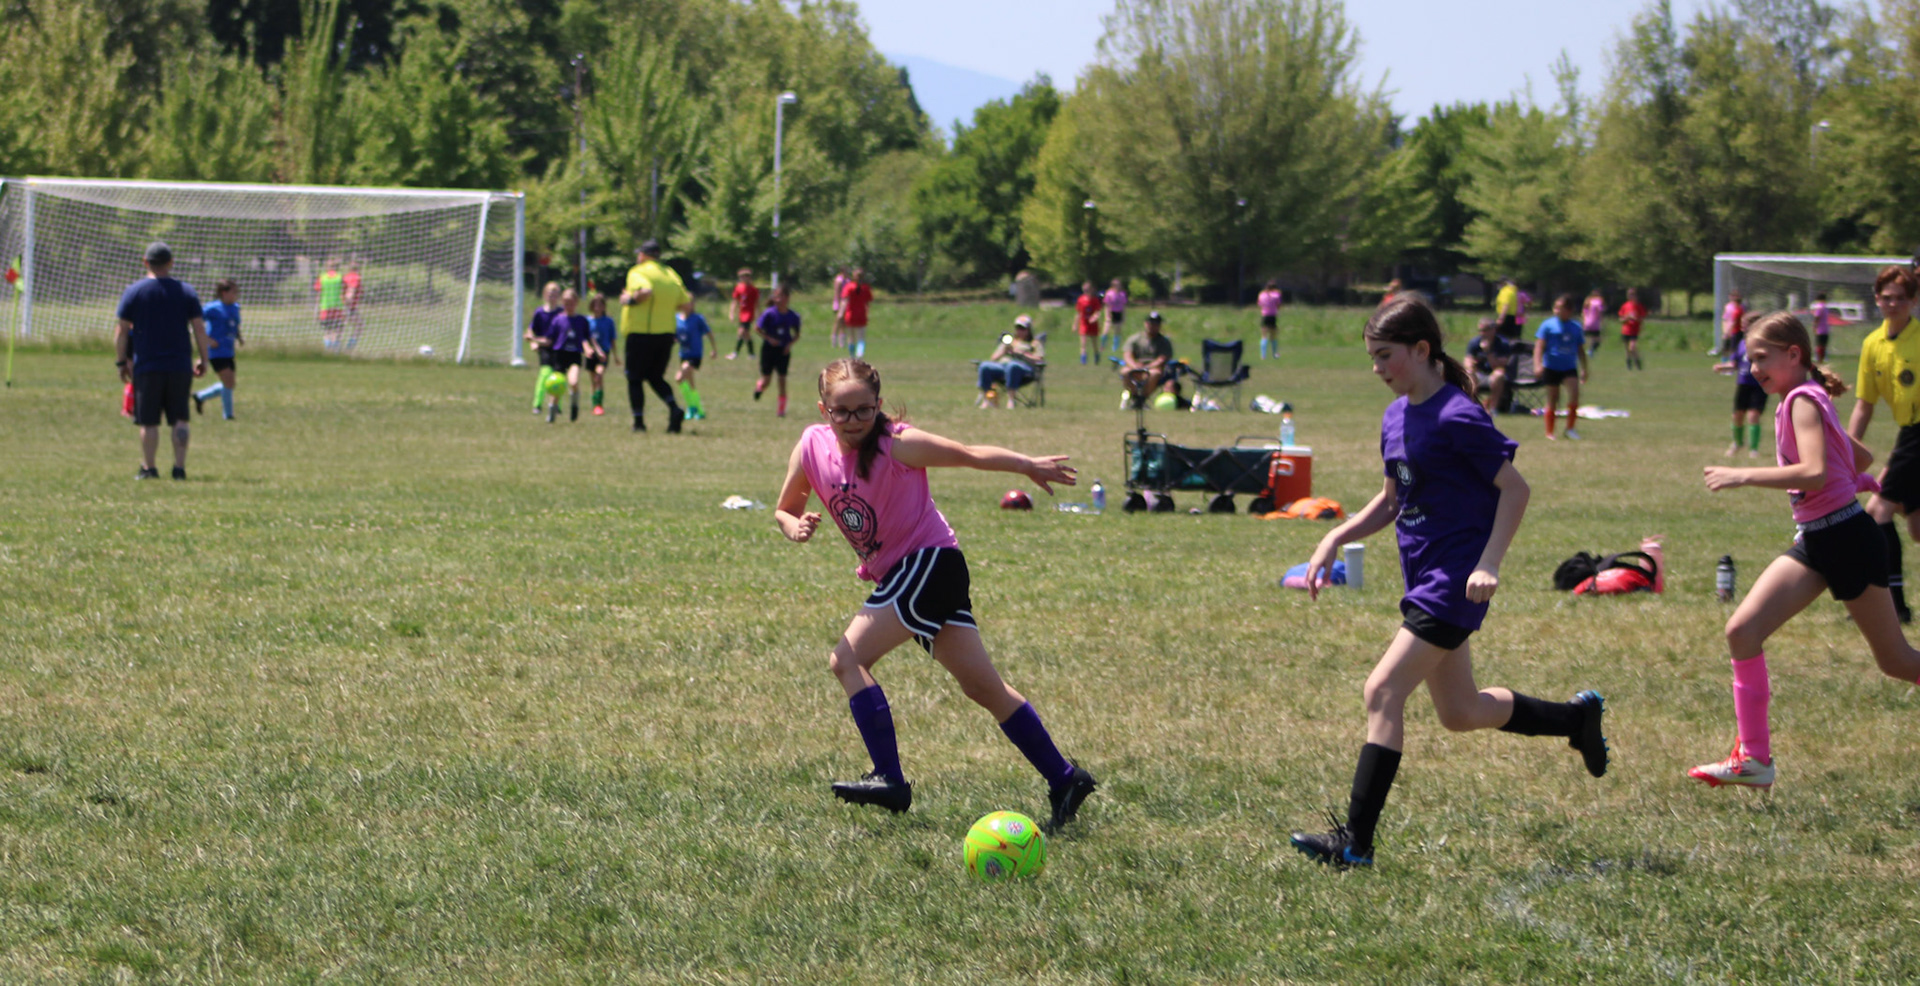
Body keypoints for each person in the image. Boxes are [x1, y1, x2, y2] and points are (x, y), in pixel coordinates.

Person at [1288, 296, 1608, 870]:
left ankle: (1355, 844)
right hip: (1423, 578)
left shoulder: (1459, 416)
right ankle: (1574, 719)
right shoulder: (1395, 417)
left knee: (1382, 692)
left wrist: (1490, 562)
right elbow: (1392, 500)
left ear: (1421, 349)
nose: (1377, 368)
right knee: (1460, 711)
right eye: (1371, 358)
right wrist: (1335, 535)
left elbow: (1515, 489)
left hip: (1455, 582)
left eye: (1386, 355)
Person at [773, 357, 1098, 830]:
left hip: (930, 563)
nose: (853, 420)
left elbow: (967, 453)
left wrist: (1026, 465)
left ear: (878, 405)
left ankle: (889, 778)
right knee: (983, 687)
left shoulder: (898, 444)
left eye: (864, 410)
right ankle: (1066, 778)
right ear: (824, 410)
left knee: (846, 659)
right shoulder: (811, 446)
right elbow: (785, 508)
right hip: (910, 574)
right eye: (841, 411)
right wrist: (794, 527)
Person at [1691, 312, 1920, 789]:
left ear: (1793, 354)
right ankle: (1754, 761)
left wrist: (1743, 475)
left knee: (1897, 661)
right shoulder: (1805, 398)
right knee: (1742, 630)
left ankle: (1754, 759)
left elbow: (1815, 472)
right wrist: (1853, 477)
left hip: (1847, 540)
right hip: (1820, 539)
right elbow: (1859, 457)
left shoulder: (1800, 401)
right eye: (1749, 359)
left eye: (1761, 357)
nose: (1753, 368)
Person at [1846, 265, 1920, 624]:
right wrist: (1848, 449)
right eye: (1886, 297)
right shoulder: (1872, 344)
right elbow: (1865, 404)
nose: (1893, 304)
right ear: (1876, 299)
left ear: (1914, 301)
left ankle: (1894, 607)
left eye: (1901, 298)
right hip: (1910, 433)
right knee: (1917, 527)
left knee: (1878, 510)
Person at [115, 241, 215, 480]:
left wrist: (121, 362)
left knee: (148, 422)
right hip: (179, 365)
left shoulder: (134, 292)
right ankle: (179, 468)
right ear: (171, 263)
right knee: (180, 419)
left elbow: (122, 331)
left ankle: (149, 468)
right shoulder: (186, 291)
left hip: (147, 365)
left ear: (145, 262)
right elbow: (199, 329)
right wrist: (204, 359)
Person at [619, 240, 690, 433]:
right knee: (655, 377)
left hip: (641, 333)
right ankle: (674, 408)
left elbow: (645, 291)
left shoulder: (638, 272)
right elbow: (685, 304)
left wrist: (629, 299)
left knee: (634, 378)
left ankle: (639, 422)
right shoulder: (671, 274)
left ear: (643, 255)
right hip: (665, 334)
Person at [1534, 294, 1590, 440]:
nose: (1556, 310)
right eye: (1555, 307)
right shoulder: (1547, 325)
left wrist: (1584, 368)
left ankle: (1570, 429)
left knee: (1574, 394)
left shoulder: (1576, 327)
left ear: (1569, 310)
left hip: (1569, 367)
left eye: (1560, 308)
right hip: (1551, 367)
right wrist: (1538, 365)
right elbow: (1539, 347)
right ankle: (1550, 432)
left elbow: (1580, 349)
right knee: (1553, 398)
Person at [543, 288, 603, 423]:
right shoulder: (557, 319)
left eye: (571, 303)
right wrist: (534, 340)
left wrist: (589, 349)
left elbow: (586, 338)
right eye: (565, 303)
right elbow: (549, 340)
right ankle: (552, 413)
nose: (568, 306)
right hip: (559, 355)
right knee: (557, 385)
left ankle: (574, 405)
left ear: (576, 302)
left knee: (573, 382)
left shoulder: (582, 320)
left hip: (574, 355)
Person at [1715, 319, 1766, 458]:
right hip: (1743, 383)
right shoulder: (1742, 343)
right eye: (1742, 325)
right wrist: (1722, 367)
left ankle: (1753, 449)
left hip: (1759, 385)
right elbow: (1735, 364)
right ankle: (1738, 443)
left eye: (1746, 325)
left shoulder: (1763, 344)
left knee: (1753, 415)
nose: (1743, 328)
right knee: (1737, 415)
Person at [192, 279, 243, 421]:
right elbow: (195, 324)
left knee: (230, 383)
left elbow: (234, 325)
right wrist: (208, 340)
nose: (236, 294)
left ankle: (200, 396)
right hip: (216, 352)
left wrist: (239, 337)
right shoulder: (212, 308)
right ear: (224, 293)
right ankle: (228, 415)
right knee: (228, 382)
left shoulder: (235, 307)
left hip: (228, 351)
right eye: (234, 292)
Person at [976, 314, 1044, 409]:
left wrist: (1022, 353)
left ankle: (1011, 400)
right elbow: (993, 358)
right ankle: (987, 400)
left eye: (1023, 329)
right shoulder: (1009, 341)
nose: (1020, 331)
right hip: (1003, 366)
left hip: (1023, 369)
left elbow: (1039, 359)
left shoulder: (1034, 343)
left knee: (1012, 366)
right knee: (985, 366)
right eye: (1018, 328)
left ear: (1028, 330)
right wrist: (1004, 351)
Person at [754, 284, 802, 417]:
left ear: (787, 298)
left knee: (782, 380)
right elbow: (757, 329)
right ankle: (760, 387)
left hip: (783, 351)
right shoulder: (769, 313)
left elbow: (797, 335)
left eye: (780, 296)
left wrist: (789, 345)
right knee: (767, 380)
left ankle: (781, 410)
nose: (778, 299)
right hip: (769, 350)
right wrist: (769, 339)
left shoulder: (793, 316)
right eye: (776, 296)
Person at [1119, 309, 1177, 406]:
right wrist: (1135, 366)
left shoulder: (1164, 342)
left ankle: (1142, 398)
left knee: (1154, 374)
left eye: (1156, 324)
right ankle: (1135, 397)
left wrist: (1148, 367)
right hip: (1135, 366)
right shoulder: (1135, 339)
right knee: (1125, 372)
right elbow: (1127, 354)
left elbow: (1162, 358)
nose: (1152, 326)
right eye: (1150, 323)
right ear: (1145, 323)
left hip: (1152, 368)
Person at [525, 282, 564, 414]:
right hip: (544, 348)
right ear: (544, 295)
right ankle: (537, 404)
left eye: (555, 294)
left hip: (558, 348)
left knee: (558, 377)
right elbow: (531, 329)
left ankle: (556, 405)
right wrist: (533, 342)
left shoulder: (561, 313)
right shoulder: (540, 312)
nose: (552, 297)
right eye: (550, 294)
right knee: (545, 373)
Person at [675, 298, 716, 421]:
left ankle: (692, 407)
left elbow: (709, 333)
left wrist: (714, 349)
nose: (687, 304)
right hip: (683, 354)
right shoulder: (676, 318)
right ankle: (698, 409)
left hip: (695, 355)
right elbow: (675, 335)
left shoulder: (698, 319)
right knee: (690, 383)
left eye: (690, 302)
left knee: (679, 378)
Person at [1463, 317, 1514, 414]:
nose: (1482, 333)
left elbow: (1499, 365)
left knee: (1499, 375)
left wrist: (1488, 351)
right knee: (1469, 373)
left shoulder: (1502, 343)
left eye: (1485, 330)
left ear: (1493, 330)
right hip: (1478, 373)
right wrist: (1471, 365)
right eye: (1480, 330)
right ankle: (1472, 406)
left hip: (1494, 374)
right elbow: (1467, 360)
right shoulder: (1474, 342)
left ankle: (1493, 408)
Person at [586, 294, 617, 415]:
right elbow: (585, 338)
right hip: (591, 354)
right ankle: (595, 404)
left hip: (604, 353)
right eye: (595, 305)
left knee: (599, 376)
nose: (597, 308)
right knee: (593, 380)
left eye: (600, 305)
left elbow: (612, 339)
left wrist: (615, 356)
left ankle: (598, 405)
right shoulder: (587, 321)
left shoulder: (609, 321)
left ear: (604, 307)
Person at [838, 268, 874, 359]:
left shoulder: (849, 287)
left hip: (850, 315)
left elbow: (844, 301)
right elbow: (868, 303)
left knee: (851, 338)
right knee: (861, 338)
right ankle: (859, 354)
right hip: (861, 315)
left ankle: (852, 355)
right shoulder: (866, 288)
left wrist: (841, 313)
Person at [314, 257, 345, 349]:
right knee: (337, 332)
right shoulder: (340, 277)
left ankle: (328, 350)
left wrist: (316, 310)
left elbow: (318, 295)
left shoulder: (322, 278)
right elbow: (343, 292)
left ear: (326, 267)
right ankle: (335, 351)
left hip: (325, 308)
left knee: (327, 332)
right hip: (337, 308)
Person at [728, 268, 759, 360]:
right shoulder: (739, 288)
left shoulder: (753, 290)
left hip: (749, 314)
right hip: (742, 313)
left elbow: (757, 303)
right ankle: (752, 354)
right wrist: (732, 313)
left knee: (741, 332)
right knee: (746, 334)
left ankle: (735, 352)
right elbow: (735, 301)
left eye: (746, 276)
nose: (743, 278)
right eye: (741, 276)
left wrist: (759, 315)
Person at [1618, 287, 1647, 371]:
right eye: (1629, 294)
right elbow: (1621, 319)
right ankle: (1629, 364)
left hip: (1634, 330)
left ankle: (1637, 362)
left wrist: (1635, 318)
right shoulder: (1625, 305)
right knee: (1627, 350)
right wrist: (1627, 318)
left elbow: (1642, 318)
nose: (1630, 296)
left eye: (1632, 294)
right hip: (1626, 330)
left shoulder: (1639, 306)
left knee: (1632, 348)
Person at [1074, 281, 1101, 365]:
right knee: (1083, 343)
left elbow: (1098, 312)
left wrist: (1094, 317)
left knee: (1094, 343)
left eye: (1087, 289)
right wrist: (1075, 324)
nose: (1086, 291)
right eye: (1084, 289)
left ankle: (1096, 356)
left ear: (1091, 289)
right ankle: (1083, 360)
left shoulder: (1095, 300)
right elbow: (1078, 313)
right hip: (1084, 323)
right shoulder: (1081, 299)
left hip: (1093, 324)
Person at [1257, 280, 1283, 359]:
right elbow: (1278, 305)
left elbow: (1259, 304)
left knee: (1264, 336)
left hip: (1265, 316)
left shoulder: (1261, 295)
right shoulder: (1277, 295)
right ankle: (1274, 354)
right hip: (1273, 316)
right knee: (1273, 336)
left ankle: (1263, 355)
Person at [1102, 278, 1129, 355]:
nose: (1118, 287)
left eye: (1119, 285)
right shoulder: (1109, 294)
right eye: (1117, 285)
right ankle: (1103, 345)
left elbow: (1124, 306)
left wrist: (1124, 316)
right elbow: (1106, 305)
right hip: (1111, 312)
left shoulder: (1122, 294)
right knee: (1106, 330)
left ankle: (1115, 346)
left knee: (1117, 330)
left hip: (1118, 312)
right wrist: (1107, 315)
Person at [343, 258, 364, 350]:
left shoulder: (346, 276)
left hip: (344, 306)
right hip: (349, 307)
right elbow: (351, 291)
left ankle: (337, 348)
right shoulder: (355, 277)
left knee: (339, 329)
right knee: (358, 327)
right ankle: (348, 349)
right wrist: (348, 306)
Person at [829, 266, 850, 349]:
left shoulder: (848, 280)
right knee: (838, 320)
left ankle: (842, 341)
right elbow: (837, 292)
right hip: (839, 302)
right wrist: (838, 304)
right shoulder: (839, 280)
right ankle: (834, 338)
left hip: (846, 302)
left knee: (843, 323)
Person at [1719, 291, 1746, 356]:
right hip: (1729, 329)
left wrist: (1729, 330)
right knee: (1727, 346)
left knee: (1734, 347)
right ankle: (1726, 359)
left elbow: (1735, 321)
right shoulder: (1728, 307)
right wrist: (1725, 330)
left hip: (1735, 330)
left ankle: (1733, 359)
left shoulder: (1740, 309)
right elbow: (1725, 318)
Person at [1582, 288, 1606, 355]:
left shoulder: (1588, 300)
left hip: (1587, 322)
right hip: (1595, 323)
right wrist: (1602, 320)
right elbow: (1600, 311)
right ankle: (1590, 350)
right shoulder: (1599, 301)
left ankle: (1588, 350)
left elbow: (1584, 311)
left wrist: (1584, 319)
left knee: (1587, 337)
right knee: (1597, 339)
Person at [1812, 291, 1832, 363]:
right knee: (1823, 346)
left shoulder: (1819, 307)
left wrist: (1814, 326)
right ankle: (1822, 359)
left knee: (1819, 345)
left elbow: (1817, 317)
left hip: (1820, 330)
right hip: (1826, 329)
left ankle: (1819, 360)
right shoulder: (1825, 308)